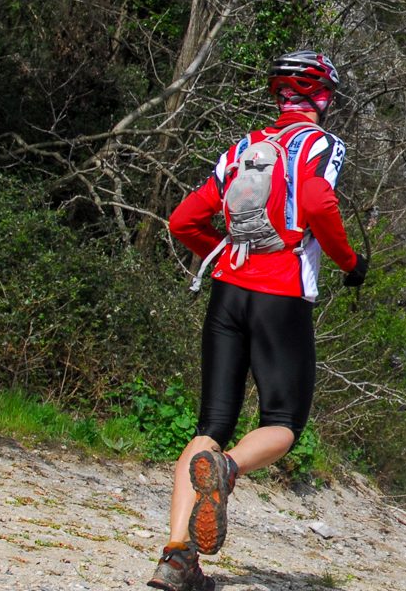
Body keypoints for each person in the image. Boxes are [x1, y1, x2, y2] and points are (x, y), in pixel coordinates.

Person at [148, 51, 368, 591]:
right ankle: (226, 471)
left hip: (227, 290)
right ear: (324, 98)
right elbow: (316, 199)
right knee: (283, 423)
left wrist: (222, 253)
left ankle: (176, 560)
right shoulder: (322, 144)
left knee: (209, 426)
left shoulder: (243, 148)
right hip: (281, 295)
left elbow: (182, 220)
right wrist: (350, 262)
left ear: (278, 96)